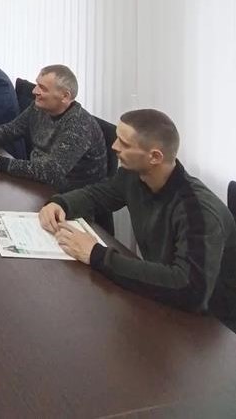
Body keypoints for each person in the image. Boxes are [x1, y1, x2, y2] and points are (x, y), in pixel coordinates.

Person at [39, 109, 236, 332]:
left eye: (124, 143)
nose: (114, 146)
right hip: (163, 299)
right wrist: (60, 203)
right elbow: (98, 195)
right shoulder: (134, 175)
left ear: (155, 157)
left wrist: (96, 254)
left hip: (212, 327)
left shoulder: (198, 211)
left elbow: (190, 289)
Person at [0, 64, 106, 192]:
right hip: (37, 183)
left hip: (66, 197)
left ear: (65, 96)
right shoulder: (39, 107)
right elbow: (12, 129)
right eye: (37, 84)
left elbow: (50, 172)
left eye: (43, 88)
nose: (34, 91)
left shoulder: (79, 125)